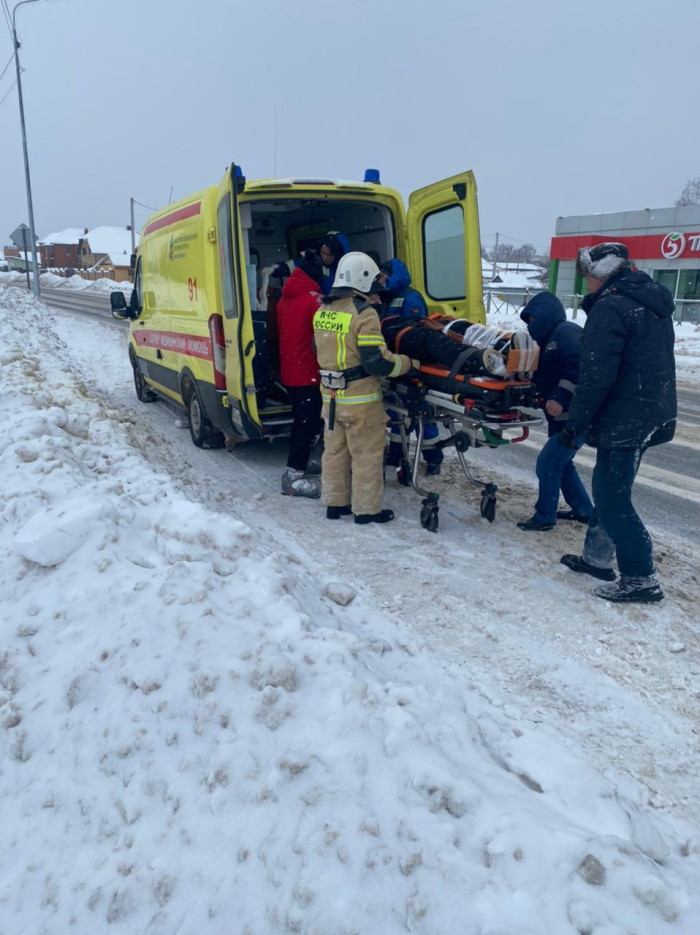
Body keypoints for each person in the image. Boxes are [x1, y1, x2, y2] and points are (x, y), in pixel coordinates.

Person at [559, 243, 677, 604]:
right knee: (611, 489)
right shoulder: (647, 299)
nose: (586, 284)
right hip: (650, 411)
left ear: (601, 274)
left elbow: (596, 376)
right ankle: (596, 559)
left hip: (626, 417)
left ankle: (641, 578)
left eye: (588, 277)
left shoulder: (611, 307)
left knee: (612, 499)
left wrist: (574, 423)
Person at [312, 252, 416, 524]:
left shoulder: (322, 311)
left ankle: (335, 504)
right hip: (360, 399)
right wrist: (406, 364)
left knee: (334, 452)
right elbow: (376, 362)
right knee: (366, 455)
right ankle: (367, 511)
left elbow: (320, 350)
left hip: (331, 397)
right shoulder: (363, 313)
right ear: (363, 280)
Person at [516, 292, 593, 531]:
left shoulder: (566, 332)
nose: (530, 326)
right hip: (562, 417)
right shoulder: (550, 338)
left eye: (532, 319)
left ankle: (544, 517)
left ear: (545, 315)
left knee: (548, 464)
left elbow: (579, 367)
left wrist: (560, 396)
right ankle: (583, 509)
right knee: (562, 463)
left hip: (575, 415)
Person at [375, 259, 443, 475]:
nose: (382, 278)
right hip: (398, 362)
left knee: (422, 412)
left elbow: (416, 332)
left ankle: (433, 458)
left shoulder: (411, 298)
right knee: (398, 411)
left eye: (384, 274)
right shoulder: (391, 297)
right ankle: (397, 455)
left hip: (412, 364)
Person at [277, 251, 325, 498]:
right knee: (306, 424)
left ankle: (302, 463)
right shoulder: (313, 300)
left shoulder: (285, 300)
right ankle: (292, 477)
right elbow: (329, 332)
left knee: (304, 421)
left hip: (291, 370)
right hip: (309, 372)